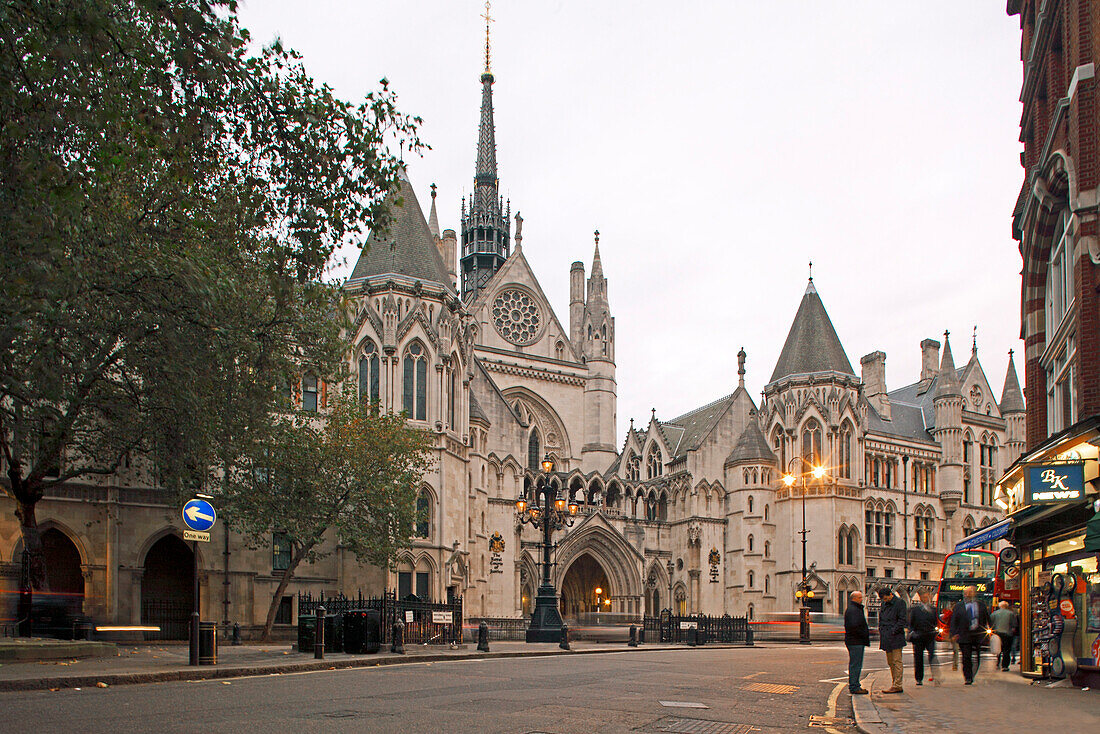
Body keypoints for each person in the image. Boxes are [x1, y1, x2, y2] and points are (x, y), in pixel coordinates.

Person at [949, 585, 991, 685]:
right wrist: (953, 633)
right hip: (964, 635)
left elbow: (987, 618)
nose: (967, 594)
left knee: (977, 657)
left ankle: (973, 673)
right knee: (966, 657)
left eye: (970, 592)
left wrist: (991, 631)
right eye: (966, 592)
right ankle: (968, 677)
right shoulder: (959, 606)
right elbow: (954, 620)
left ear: (974, 593)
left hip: (978, 634)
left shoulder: (981, 605)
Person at [878, 587, 907, 693]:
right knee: (890, 662)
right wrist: (881, 629)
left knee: (897, 661)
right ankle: (895, 682)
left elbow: (902, 619)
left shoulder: (900, 603)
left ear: (891, 594)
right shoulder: (884, 604)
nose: (884, 601)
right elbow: (881, 618)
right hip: (886, 635)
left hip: (895, 636)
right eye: (883, 599)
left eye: (885, 598)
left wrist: (893, 630)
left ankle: (897, 684)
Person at [908, 590, 937, 685]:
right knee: (918, 658)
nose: (926, 599)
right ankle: (919, 678)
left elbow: (936, 622)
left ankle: (935, 675)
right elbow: (910, 623)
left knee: (932, 656)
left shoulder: (934, 609)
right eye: (924, 597)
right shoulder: (915, 610)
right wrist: (911, 632)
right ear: (920, 598)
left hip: (930, 636)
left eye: (927, 597)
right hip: (918, 637)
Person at [844, 590, 870, 695]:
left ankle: (854, 685)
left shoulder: (853, 609)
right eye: (859, 597)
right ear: (854, 598)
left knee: (855, 664)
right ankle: (854, 686)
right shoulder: (854, 610)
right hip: (856, 641)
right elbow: (855, 626)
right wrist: (863, 634)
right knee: (856, 664)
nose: (861, 599)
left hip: (854, 640)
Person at [990, 601, 1014, 671]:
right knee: (1006, 650)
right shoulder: (1011, 614)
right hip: (1007, 634)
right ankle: (1005, 665)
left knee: (998, 649)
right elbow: (1014, 625)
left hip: (997, 633)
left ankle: (998, 662)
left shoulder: (994, 614)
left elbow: (991, 623)